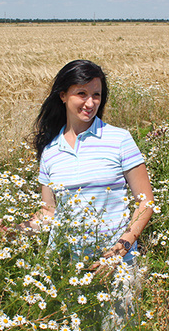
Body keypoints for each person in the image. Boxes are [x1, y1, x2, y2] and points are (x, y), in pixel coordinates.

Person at [24, 59, 154, 270]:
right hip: (64, 266)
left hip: (116, 266)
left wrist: (120, 248)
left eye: (96, 95)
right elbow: (49, 212)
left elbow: (146, 202)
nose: (91, 103)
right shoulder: (50, 151)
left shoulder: (119, 139)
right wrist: (13, 230)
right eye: (82, 94)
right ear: (63, 95)